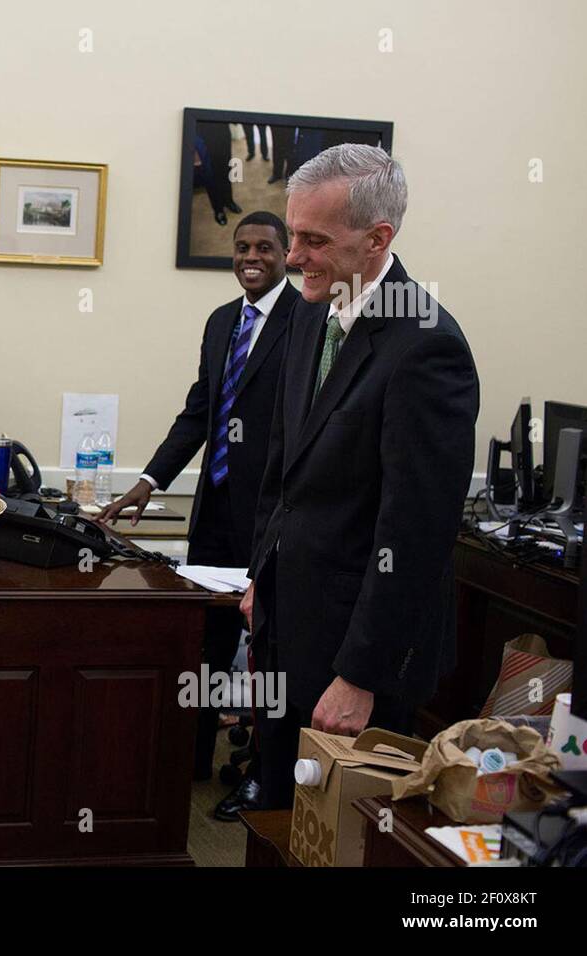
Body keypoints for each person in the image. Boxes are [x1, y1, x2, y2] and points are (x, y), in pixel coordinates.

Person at [241, 144, 479, 810]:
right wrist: (265, 576)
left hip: (360, 650)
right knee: (279, 812)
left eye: (315, 241)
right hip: (289, 619)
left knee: (343, 833)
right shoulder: (311, 311)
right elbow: (280, 469)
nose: (292, 257)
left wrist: (360, 675)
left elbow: (418, 531)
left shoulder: (428, 345)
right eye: (294, 235)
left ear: (379, 238)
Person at [99, 211, 299, 820]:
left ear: (286, 254)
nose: (252, 257)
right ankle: (190, 757)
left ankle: (267, 778)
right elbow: (198, 414)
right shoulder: (221, 322)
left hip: (271, 518)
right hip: (213, 511)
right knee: (207, 639)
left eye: (265, 247)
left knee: (268, 645)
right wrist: (148, 480)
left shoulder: (307, 321)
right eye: (242, 247)